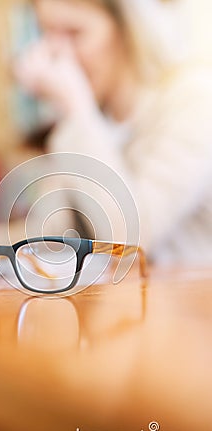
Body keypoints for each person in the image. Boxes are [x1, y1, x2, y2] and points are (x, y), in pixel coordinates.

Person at [15, 0, 212, 265]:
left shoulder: (193, 99)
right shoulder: (88, 119)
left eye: (75, 32)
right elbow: (53, 234)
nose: (60, 57)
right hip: (116, 303)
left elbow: (131, 242)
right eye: (47, 33)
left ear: (126, 29)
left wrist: (76, 109)